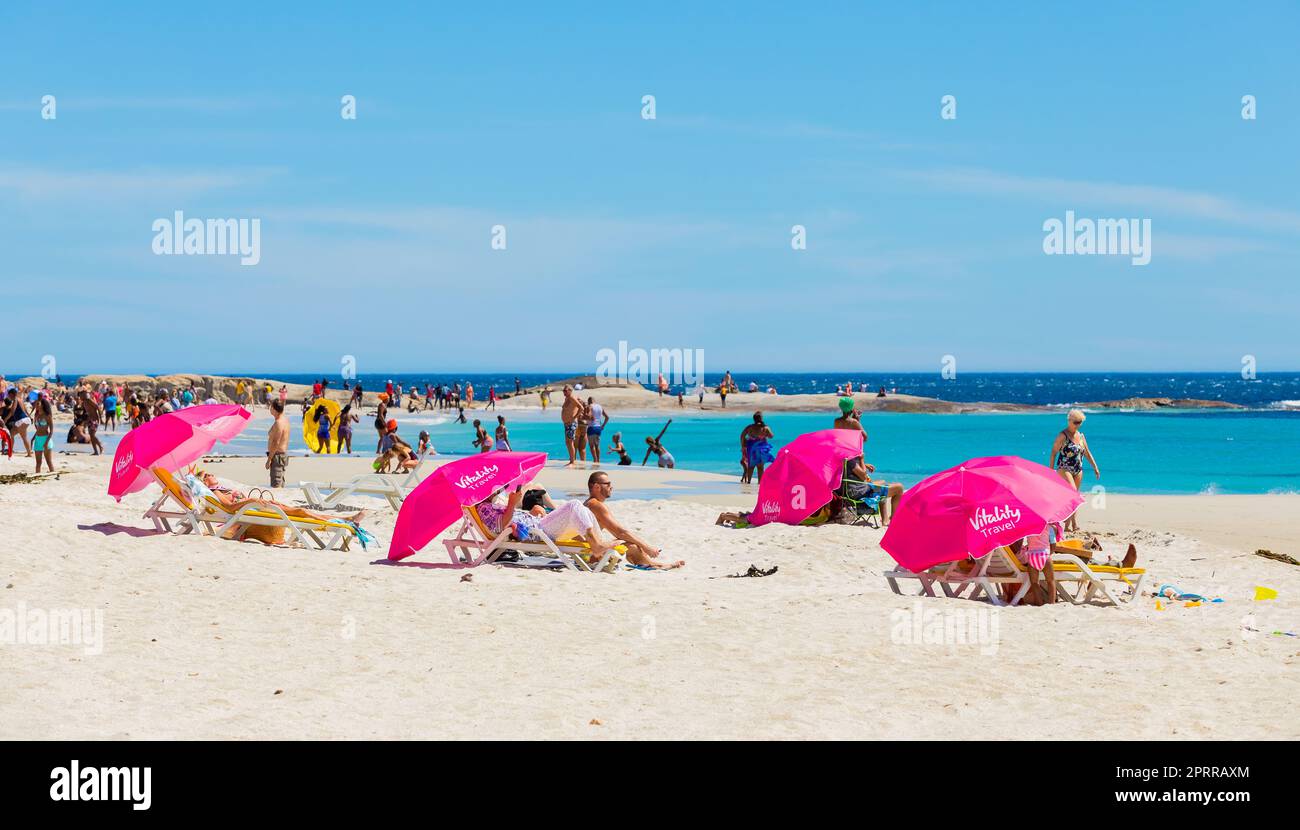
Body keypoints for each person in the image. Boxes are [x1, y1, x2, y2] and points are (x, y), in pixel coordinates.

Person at [477, 485, 622, 564]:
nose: (497, 489)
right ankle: (597, 545)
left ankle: (597, 545)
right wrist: (511, 503)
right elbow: (500, 527)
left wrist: (530, 513)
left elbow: (512, 519)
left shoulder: (492, 505)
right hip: (540, 531)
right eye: (491, 488)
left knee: (582, 509)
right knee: (574, 504)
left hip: (539, 523)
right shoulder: (484, 508)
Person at [584, 472, 685, 569]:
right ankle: (655, 565)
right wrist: (647, 547)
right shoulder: (596, 505)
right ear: (597, 486)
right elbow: (620, 532)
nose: (611, 487)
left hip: (584, 550)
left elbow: (617, 532)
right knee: (632, 546)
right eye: (608, 484)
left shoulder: (589, 503)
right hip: (589, 554)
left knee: (627, 541)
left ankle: (647, 563)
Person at [1051, 409, 1100, 533]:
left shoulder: (1081, 436)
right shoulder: (1063, 435)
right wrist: (1050, 471)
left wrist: (1095, 467)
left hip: (1078, 469)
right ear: (1069, 421)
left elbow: (1087, 453)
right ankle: (1069, 523)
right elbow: (1053, 453)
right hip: (1064, 468)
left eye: (1080, 422)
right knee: (1073, 494)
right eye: (1075, 422)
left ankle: (1072, 525)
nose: (1077, 424)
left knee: (1075, 497)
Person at [740, 411, 775, 483]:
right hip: (761, 447)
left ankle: (748, 481)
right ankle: (760, 482)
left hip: (751, 447)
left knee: (751, 465)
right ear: (761, 419)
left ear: (754, 419)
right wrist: (765, 434)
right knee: (760, 466)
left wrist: (743, 445)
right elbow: (771, 436)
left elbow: (742, 435)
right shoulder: (765, 428)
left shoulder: (749, 427)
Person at [3, 388, 34, 457]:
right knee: (11, 435)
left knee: (24, 437)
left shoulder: (16, 400)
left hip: (21, 420)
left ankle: (29, 453)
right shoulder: (20, 399)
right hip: (24, 420)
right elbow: (25, 410)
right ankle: (11, 451)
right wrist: (30, 417)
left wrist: (5, 419)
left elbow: (12, 412)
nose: (8, 396)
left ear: (11, 394)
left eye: (9, 395)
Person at [266, 399, 290, 487]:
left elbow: (276, 442)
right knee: (280, 482)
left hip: (277, 456)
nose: (270, 409)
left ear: (274, 409)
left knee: (276, 484)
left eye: (271, 407)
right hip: (280, 456)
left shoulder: (279, 423)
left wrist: (269, 459)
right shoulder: (284, 420)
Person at [560, 385, 582, 467]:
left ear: (570, 390)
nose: (564, 392)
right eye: (563, 390)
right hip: (566, 423)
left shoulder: (572, 398)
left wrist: (575, 417)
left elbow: (581, 408)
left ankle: (572, 461)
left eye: (565, 390)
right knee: (567, 442)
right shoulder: (567, 398)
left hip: (571, 423)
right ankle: (571, 459)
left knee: (570, 441)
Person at [32, 395, 55, 473]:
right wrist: (33, 438)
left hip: (46, 439)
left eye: (38, 404)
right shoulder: (36, 415)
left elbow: (51, 431)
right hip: (38, 439)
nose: (36, 405)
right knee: (38, 463)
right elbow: (38, 429)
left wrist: (46, 442)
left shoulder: (48, 416)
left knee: (49, 462)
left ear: (42, 405)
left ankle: (53, 475)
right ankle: (37, 477)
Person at [585, 397, 609, 464]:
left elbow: (589, 416)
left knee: (591, 446)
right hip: (598, 428)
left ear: (589, 401)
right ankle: (598, 460)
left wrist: (584, 416)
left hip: (591, 427)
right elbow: (607, 417)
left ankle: (595, 460)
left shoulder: (590, 406)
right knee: (597, 445)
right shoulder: (600, 407)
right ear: (594, 401)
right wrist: (603, 426)